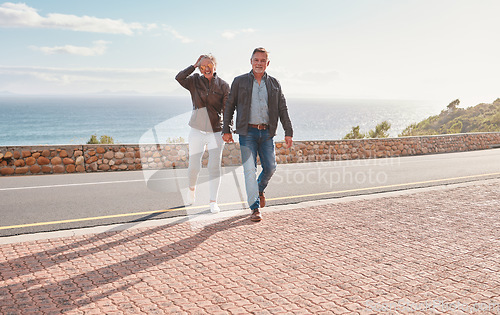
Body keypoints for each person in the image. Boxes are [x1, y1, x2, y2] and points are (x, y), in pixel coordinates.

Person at [222, 47, 293, 222]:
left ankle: (259, 189)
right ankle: (254, 208)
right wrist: (226, 129)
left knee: (270, 167)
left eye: (262, 60)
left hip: (267, 133)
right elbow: (229, 106)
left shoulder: (275, 83)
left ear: (267, 63)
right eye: (256, 60)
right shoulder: (239, 82)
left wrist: (288, 131)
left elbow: (282, 108)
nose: (259, 63)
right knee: (249, 170)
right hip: (247, 133)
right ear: (251, 61)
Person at [176, 54, 230, 213]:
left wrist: (227, 130)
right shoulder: (194, 81)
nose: (206, 68)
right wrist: (193, 65)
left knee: (214, 167)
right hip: (196, 131)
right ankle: (191, 190)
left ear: (215, 66)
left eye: (208, 65)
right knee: (194, 167)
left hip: (216, 132)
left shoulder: (224, 86)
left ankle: (213, 201)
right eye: (202, 66)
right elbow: (179, 77)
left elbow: (228, 110)